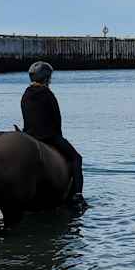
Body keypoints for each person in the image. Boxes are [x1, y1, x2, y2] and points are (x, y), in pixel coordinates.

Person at [21, 61, 86, 206]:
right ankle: (78, 195)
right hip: (48, 136)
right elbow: (56, 118)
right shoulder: (47, 94)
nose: (50, 80)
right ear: (45, 78)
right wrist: (58, 136)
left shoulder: (25, 94)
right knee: (77, 158)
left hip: (29, 136)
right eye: (49, 77)